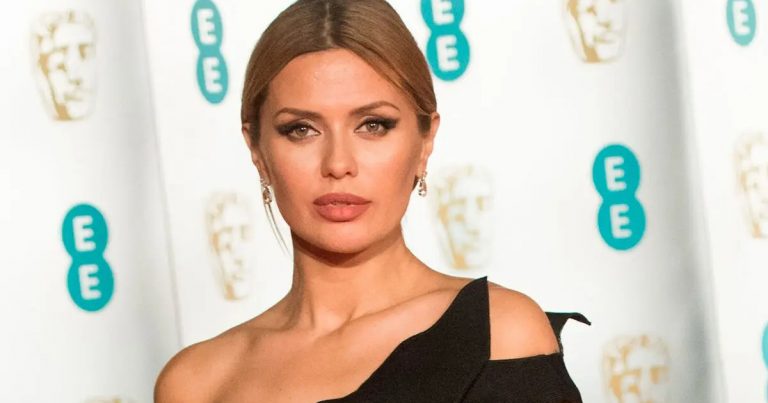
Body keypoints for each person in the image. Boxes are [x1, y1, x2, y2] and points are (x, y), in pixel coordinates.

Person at [155, 0, 588, 401]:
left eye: (373, 125)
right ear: (257, 150)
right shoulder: (197, 383)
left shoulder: (499, 335)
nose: (338, 163)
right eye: (301, 129)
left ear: (425, 142)